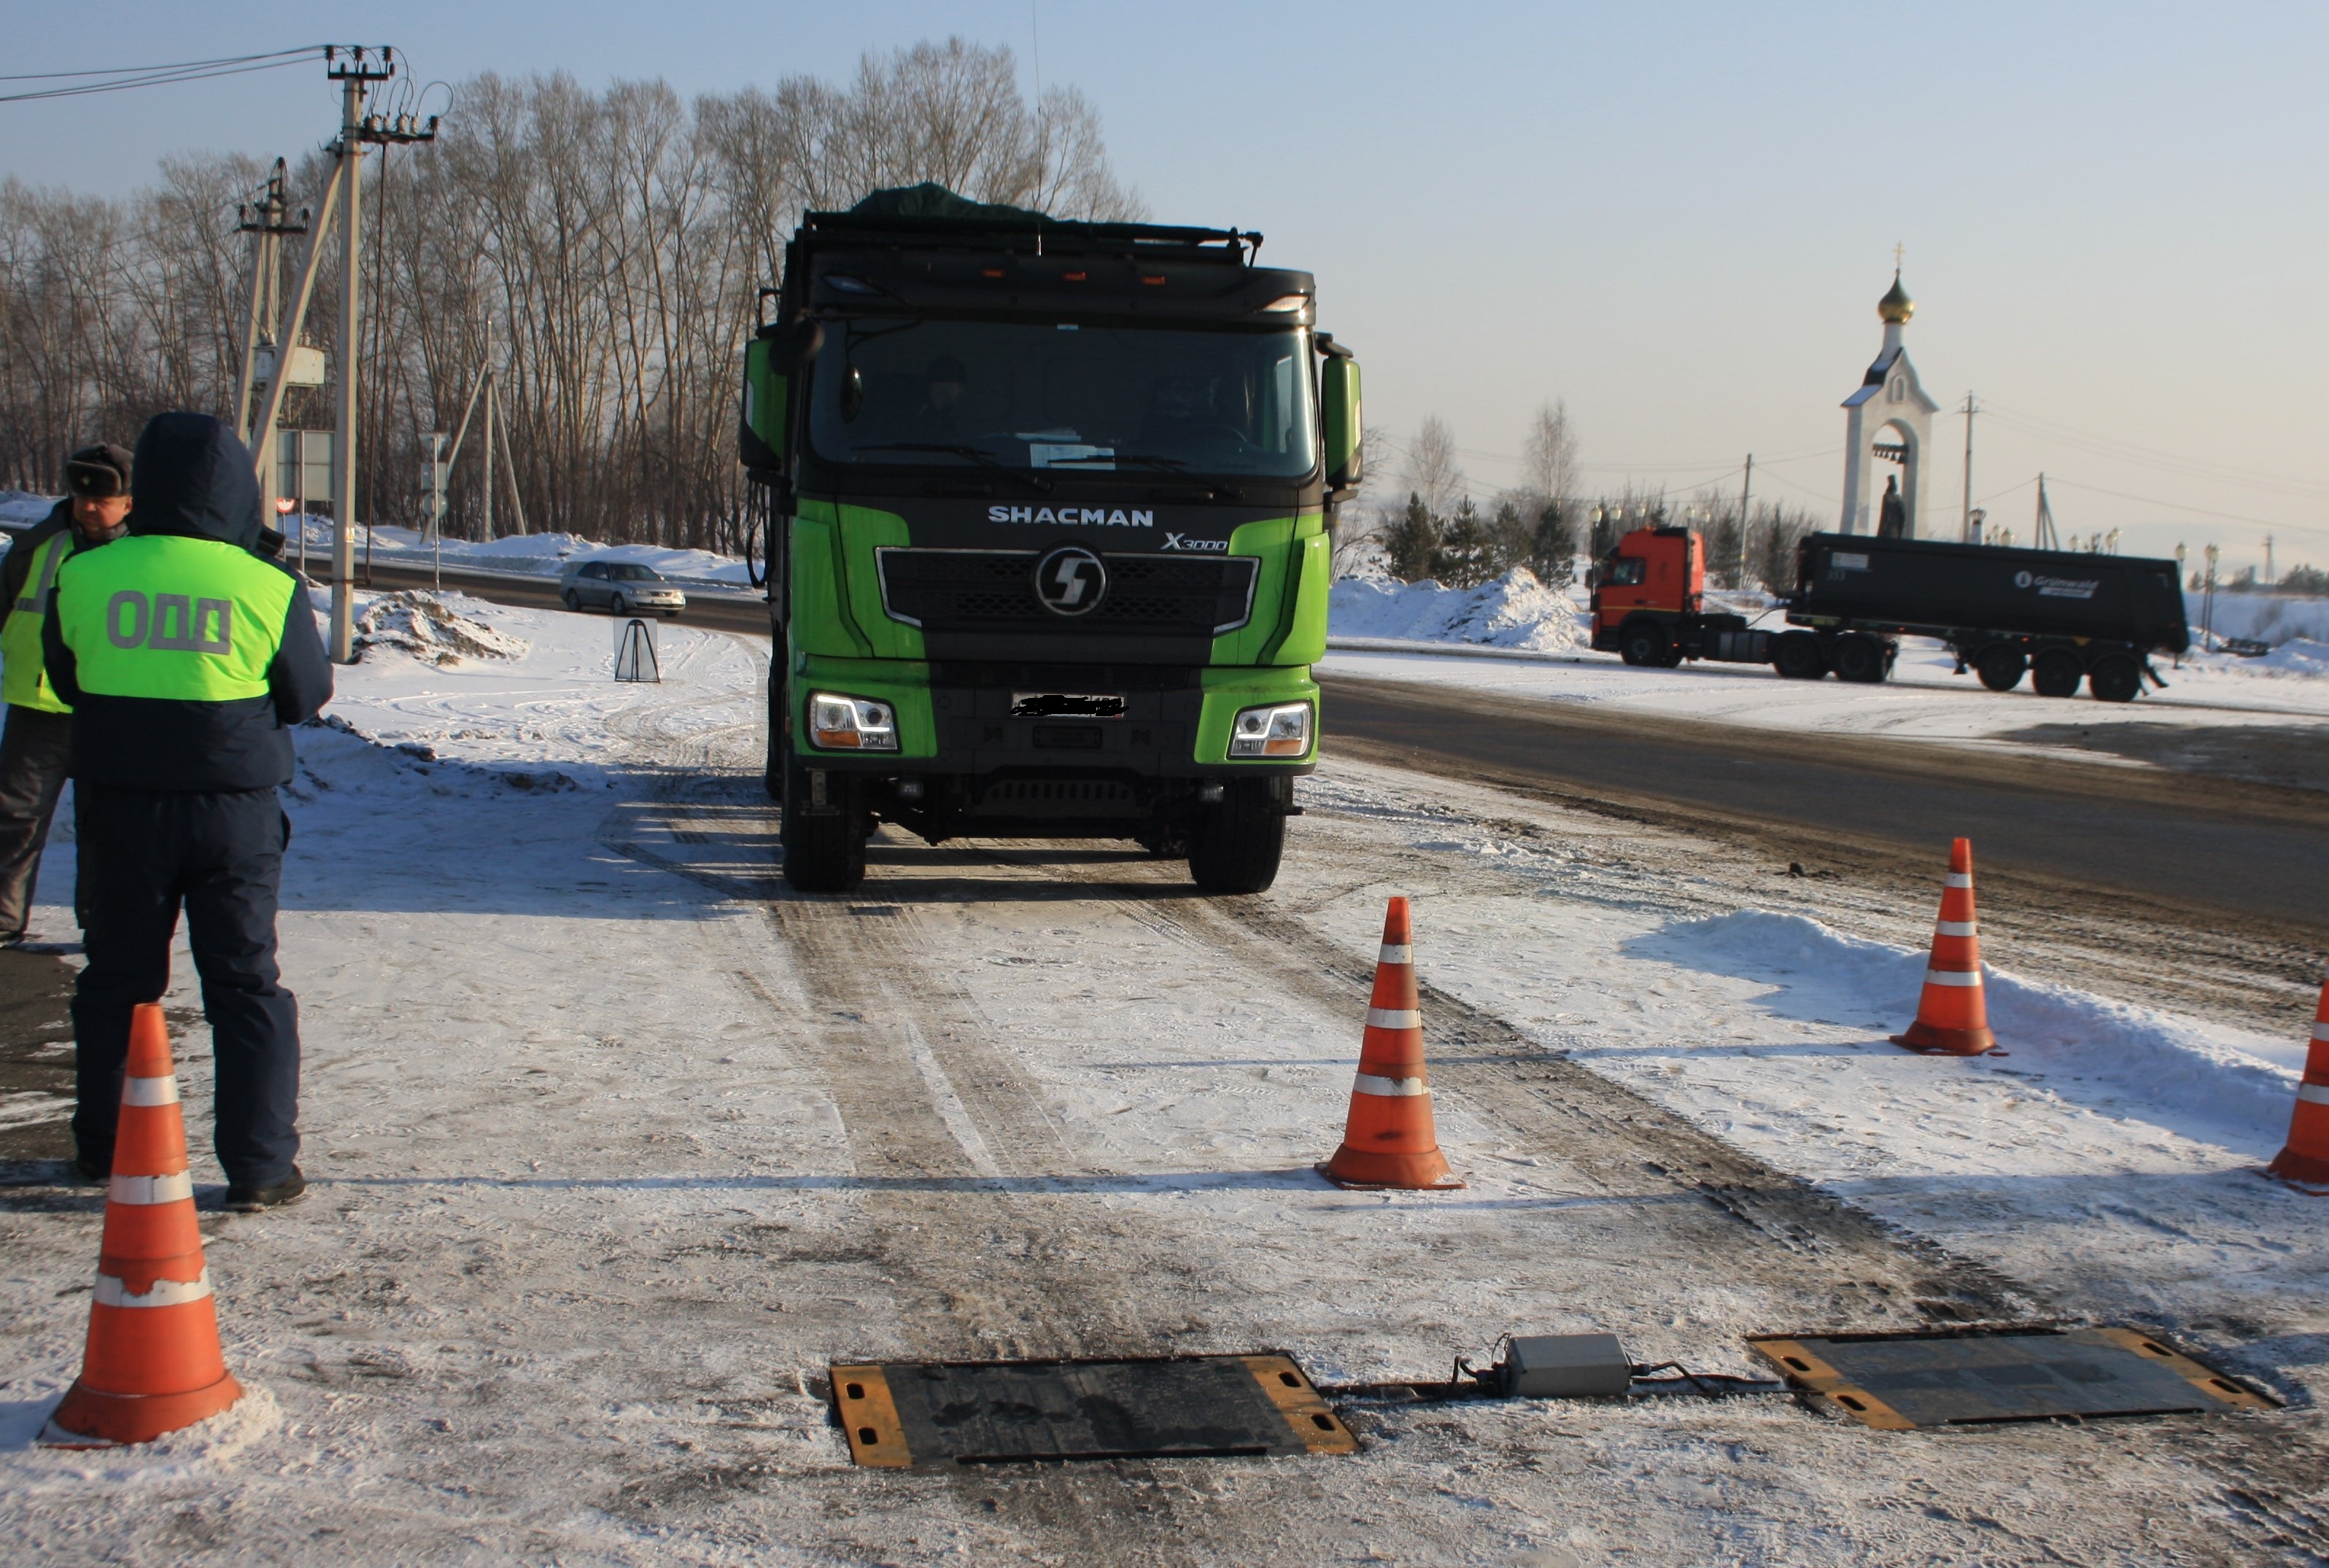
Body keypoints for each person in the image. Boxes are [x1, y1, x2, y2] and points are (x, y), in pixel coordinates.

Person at [46, 412, 332, 1208]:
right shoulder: (267, 584)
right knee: (245, 983)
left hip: (122, 804)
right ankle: (260, 1165)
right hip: (234, 811)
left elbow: (68, 680)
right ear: (237, 490)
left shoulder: (86, 573)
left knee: (118, 980)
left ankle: (104, 1149)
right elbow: (306, 695)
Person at [0, 443, 133, 944]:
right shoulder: (37, 546)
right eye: (82, 496)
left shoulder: (143, 554)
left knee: (106, 827)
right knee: (15, 817)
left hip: (113, 708)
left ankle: (102, 925)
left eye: (103, 498)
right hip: (39, 706)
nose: (89, 506)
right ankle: (4, 919)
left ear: (130, 503)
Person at [1877, 473, 1907, 538]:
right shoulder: (1900, 500)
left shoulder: (1887, 498)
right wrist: (1901, 532)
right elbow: (1903, 518)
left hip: (1888, 532)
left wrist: (1880, 533)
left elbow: (1885, 516)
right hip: (1896, 533)